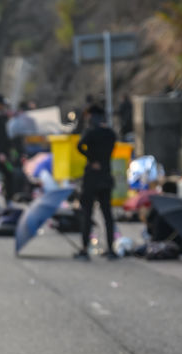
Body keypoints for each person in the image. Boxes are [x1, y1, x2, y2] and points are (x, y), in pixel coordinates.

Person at [76, 104, 118, 260]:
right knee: (107, 214)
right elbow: (111, 148)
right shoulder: (110, 133)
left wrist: (91, 159)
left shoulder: (90, 132)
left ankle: (84, 249)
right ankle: (111, 249)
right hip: (106, 177)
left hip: (92, 178)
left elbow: (80, 145)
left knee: (87, 213)